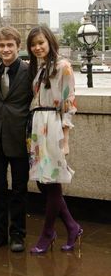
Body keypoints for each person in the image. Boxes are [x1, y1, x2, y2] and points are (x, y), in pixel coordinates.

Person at [26, 25, 83, 254]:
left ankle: (48, 233)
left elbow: (69, 104)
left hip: (53, 128)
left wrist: (65, 140)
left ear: (49, 41)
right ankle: (72, 226)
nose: (37, 47)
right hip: (38, 127)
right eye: (33, 44)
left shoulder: (63, 66)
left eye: (41, 42)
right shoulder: (40, 69)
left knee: (51, 182)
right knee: (43, 182)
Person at [0, 26, 32, 252]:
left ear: (18, 46)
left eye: (9, 45)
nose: (5, 49)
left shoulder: (29, 71)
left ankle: (18, 234)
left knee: (19, 189)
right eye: (1, 46)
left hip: (19, 137)